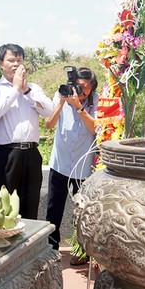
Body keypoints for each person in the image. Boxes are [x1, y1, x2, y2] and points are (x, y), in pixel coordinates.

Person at [0, 43, 54, 220]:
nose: (16, 64)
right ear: (0, 63)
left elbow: (49, 111)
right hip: (4, 155)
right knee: (3, 208)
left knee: (30, 205)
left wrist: (26, 91)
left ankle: (29, 237)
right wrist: (15, 89)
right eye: (11, 60)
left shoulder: (33, 88)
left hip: (31, 154)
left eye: (19, 60)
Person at [45, 67, 98, 257]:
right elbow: (49, 124)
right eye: (78, 85)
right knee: (53, 208)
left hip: (83, 167)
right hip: (60, 163)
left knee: (83, 212)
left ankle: (82, 251)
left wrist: (79, 107)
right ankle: (51, 249)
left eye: (85, 87)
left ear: (92, 88)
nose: (81, 90)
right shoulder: (62, 95)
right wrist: (61, 102)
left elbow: (96, 128)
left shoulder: (96, 100)